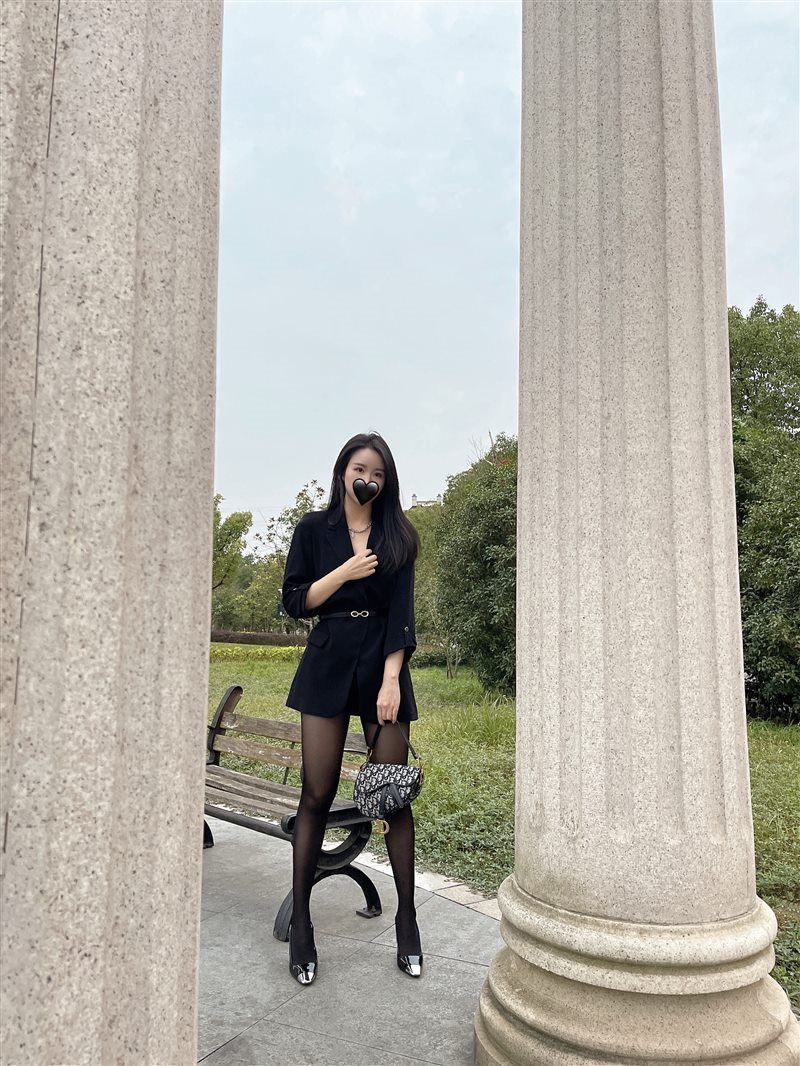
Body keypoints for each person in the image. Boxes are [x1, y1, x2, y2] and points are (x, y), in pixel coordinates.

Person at [280, 431, 423, 987]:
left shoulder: (398, 536)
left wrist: (391, 681)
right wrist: (344, 571)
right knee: (315, 794)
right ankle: (302, 924)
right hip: (328, 657)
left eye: (379, 474)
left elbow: (402, 614)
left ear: (387, 482)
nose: (368, 479)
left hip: (382, 663)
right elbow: (295, 601)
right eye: (361, 469)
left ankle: (407, 921)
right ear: (343, 471)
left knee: (392, 794)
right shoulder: (313, 530)